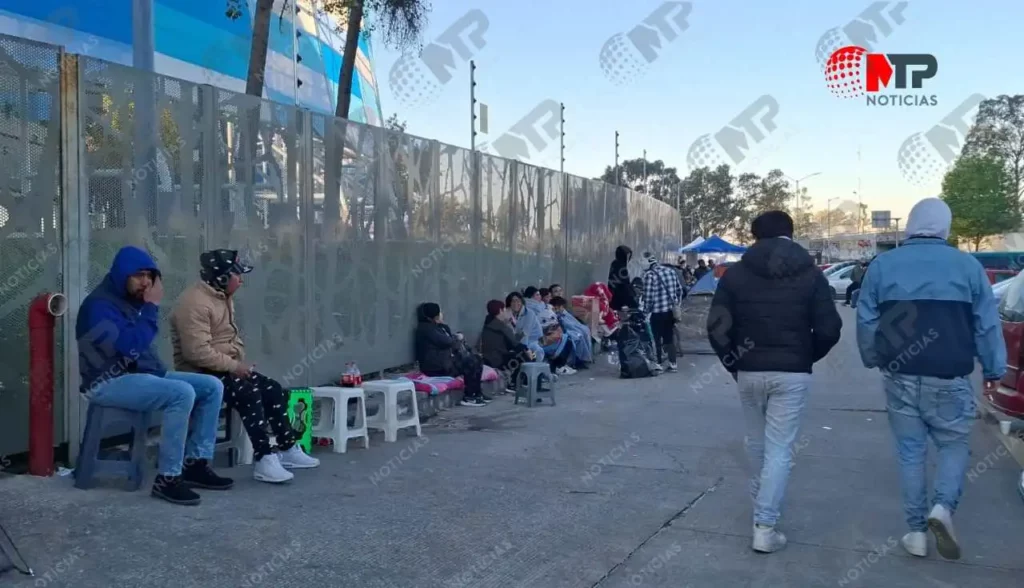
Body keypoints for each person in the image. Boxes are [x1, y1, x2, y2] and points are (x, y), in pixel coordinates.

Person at [856, 197, 1006, 561]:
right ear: (945, 227)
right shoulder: (968, 267)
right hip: (950, 374)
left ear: (910, 225)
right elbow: (987, 324)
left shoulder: (883, 265)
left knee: (910, 452)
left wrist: (875, 357)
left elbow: (866, 321)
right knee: (954, 445)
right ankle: (942, 509)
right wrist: (993, 370)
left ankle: (916, 534)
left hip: (900, 373)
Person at [707, 210, 842, 553]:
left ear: (755, 236)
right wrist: (804, 357)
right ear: (790, 234)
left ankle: (762, 505)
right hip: (792, 373)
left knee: (756, 443)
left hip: (749, 370)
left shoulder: (735, 275)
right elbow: (829, 328)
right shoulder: (811, 274)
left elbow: (717, 326)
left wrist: (733, 363)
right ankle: (765, 526)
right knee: (780, 449)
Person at [76, 246, 233, 506]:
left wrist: (160, 372)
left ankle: (195, 463)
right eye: (138, 275)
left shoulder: (131, 301)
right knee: (181, 393)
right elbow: (132, 346)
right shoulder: (99, 306)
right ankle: (168, 479)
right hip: (105, 383)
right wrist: (150, 309)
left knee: (212, 386)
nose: (146, 282)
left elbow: (142, 354)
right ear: (121, 274)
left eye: (150, 276)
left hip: (140, 374)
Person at [170, 249, 320, 485]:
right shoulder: (195, 303)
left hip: (223, 368)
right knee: (247, 392)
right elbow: (196, 352)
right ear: (221, 278)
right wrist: (234, 366)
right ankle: (264, 458)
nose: (241, 280)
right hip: (198, 374)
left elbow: (227, 338)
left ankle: (287, 447)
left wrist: (239, 363)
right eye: (237, 275)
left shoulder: (221, 297)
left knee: (272, 388)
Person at [415, 302, 489, 407]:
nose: (442, 314)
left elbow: (449, 341)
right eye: (439, 312)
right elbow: (447, 342)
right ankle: (469, 396)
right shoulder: (426, 329)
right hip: (436, 367)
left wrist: (445, 328)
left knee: (476, 359)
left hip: (445, 363)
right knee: (471, 362)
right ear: (434, 315)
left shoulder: (436, 327)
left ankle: (476, 393)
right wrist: (458, 338)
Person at [641, 253, 684, 372]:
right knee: (669, 338)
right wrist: (676, 305)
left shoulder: (649, 275)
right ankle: (673, 364)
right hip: (670, 312)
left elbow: (649, 298)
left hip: (657, 313)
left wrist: (645, 313)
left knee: (656, 339)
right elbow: (680, 290)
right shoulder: (670, 271)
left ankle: (658, 364)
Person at [480, 300, 535, 392]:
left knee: (521, 353)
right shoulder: (500, 326)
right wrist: (527, 350)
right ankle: (515, 383)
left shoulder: (489, 323)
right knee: (524, 355)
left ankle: (521, 382)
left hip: (489, 358)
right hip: (497, 359)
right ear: (500, 311)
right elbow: (515, 344)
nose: (507, 312)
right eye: (505, 309)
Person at [550, 296, 593, 365]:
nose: (561, 309)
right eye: (558, 307)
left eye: (561, 307)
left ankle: (584, 358)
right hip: (563, 332)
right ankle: (579, 359)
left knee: (584, 331)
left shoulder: (564, 313)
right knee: (579, 335)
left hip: (570, 330)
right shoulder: (553, 315)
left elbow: (573, 323)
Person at [507, 291, 545, 359]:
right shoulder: (509, 313)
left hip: (532, 340)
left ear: (522, 302)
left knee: (535, 352)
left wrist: (521, 349)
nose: (516, 303)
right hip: (518, 341)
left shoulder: (529, 314)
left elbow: (525, 334)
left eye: (518, 301)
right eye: (513, 301)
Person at [609, 245, 639, 311]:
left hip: (612, 295)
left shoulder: (614, 263)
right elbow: (625, 286)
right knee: (636, 309)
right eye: (628, 256)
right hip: (618, 295)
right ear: (624, 256)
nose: (629, 259)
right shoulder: (622, 268)